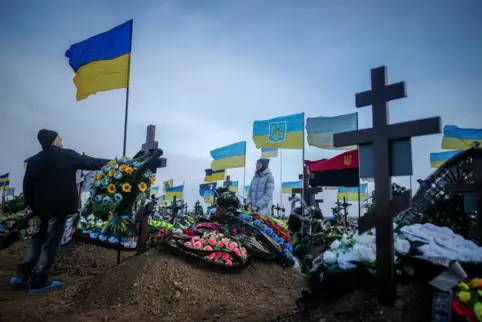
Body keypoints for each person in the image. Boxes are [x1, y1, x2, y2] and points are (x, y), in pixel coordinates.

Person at [10, 129, 110, 294]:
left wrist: (34, 206)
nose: (61, 139)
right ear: (53, 141)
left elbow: (26, 187)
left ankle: (22, 277)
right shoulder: (66, 155)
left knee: (36, 240)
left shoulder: (34, 161)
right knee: (50, 243)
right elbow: (91, 162)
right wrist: (116, 163)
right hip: (59, 208)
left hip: (41, 208)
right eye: (59, 137)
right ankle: (39, 281)